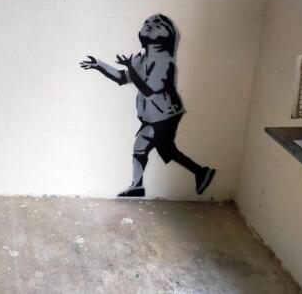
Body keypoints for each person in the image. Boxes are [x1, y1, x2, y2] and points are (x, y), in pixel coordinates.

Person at [80, 14, 215, 197]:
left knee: (144, 146)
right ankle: (199, 172)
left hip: (166, 115)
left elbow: (149, 90)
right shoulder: (140, 59)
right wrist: (99, 65)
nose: (150, 24)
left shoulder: (164, 61)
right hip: (154, 115)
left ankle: (139, 185)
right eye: (147, 22)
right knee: (165, 150)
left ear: (168, 34)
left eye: (158, 23)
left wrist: (131, 68)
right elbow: (122, 78)